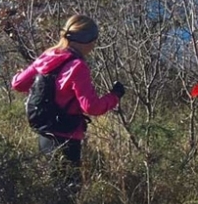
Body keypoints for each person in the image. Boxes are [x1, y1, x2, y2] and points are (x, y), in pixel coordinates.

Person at [11, 14, 125, 192]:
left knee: (50, 189)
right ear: (86, 39)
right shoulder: (78, 66)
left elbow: (18, 84)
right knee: (68, 192)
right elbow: (91, 107)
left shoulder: (48, 56)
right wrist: (115, 96)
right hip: (68, 136)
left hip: (44, 133)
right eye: (93, 38)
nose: (94, 44)